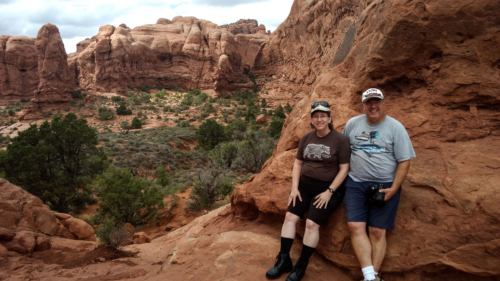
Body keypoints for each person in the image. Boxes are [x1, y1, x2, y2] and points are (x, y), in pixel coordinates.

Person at [265, 101, 351, 281]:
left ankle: (301, 265)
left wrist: (330, 192)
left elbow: (344, 169)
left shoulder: (340, 140)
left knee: (312, 224)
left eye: (323, 116)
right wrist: (294, 188)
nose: (319, 119)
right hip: (304, 186)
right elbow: (298, 164)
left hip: (327, 189)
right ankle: (283, 259)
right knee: (290, 217)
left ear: (329, 118)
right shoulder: (307, 138)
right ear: (311, 120)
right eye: (315, 116)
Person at [342, 88, 416, 281]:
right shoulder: (352, 124)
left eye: (376, 102)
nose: (373, 106)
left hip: (385, 184)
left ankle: (373, 275)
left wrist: (394, 188)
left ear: (383, 103)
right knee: (355, 227)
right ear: (363, 105)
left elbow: (405, 161)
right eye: (369, 102)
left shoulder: (395, 127)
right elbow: (343, 151)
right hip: (356, 183)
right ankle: (370, 277)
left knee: (376, 230)